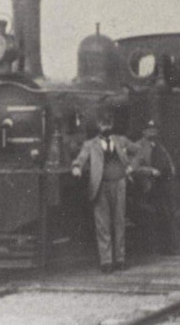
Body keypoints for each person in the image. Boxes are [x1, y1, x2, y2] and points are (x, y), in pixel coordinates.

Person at [72, 108, 139, 273]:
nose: (105, 126)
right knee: (102, 225)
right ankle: (106, 262)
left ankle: (120, 259)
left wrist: (132, 166)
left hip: (119, 184)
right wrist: (76, 168)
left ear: (112, 124)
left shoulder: (121, 140)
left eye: (108, 123)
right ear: (98, 125)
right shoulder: (90, 144)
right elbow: (80, 159)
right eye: (103, 123)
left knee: (119, 222)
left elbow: (139, 151)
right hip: (100, 186)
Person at [135, 121, 179, 254]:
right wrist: (151, 171)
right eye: (149, 129)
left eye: (154, 129)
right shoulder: (137, 146)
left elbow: (167, 159)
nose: (152, 132)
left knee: (168, 216)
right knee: (159, 216)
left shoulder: (159, 145)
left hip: (163, 184)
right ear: (144, 132)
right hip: (150, 186)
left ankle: (170, 247)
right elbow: (134, 167)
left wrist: (171, 168)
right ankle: (162, 248)